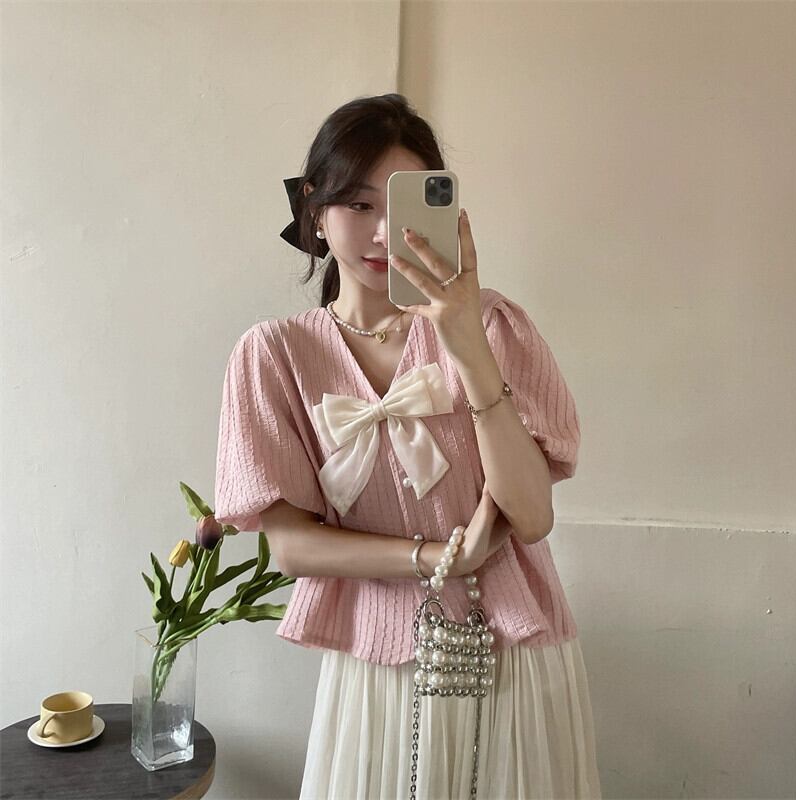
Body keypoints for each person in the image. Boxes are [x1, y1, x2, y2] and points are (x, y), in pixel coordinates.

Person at [214, 93, 602, 800]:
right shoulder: (274, 355)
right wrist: (438, 559)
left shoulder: (494, 326)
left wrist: (467, 345)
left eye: (405, 205)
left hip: (511, 652)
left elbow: (532, 516)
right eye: (359, 204)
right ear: (314, 209)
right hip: (376, 659)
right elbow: (292, 547)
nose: (384, 231)